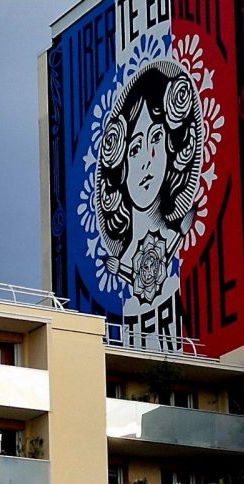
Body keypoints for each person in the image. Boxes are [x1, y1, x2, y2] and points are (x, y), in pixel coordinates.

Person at [95, 59, 203, 349]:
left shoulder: (177, 235)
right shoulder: (123, 259)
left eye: (157, 136)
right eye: (134, 147)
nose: (148, 159)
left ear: (172, 146)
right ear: (120, 167)